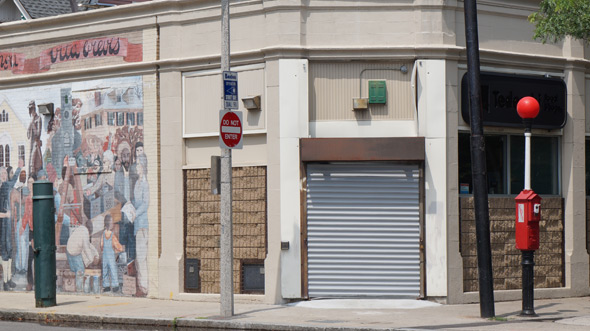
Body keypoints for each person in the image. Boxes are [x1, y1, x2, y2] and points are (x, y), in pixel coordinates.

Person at [0, 158, 22, 290]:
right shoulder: (3, 187)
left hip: (6, 225)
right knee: (4, 251)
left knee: (9, 250)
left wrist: (19, 168)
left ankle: (8, 279)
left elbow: (13, 180)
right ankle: (5, 281)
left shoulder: (6, 186)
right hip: (1, 225)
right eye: (1, 174)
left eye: (4, 174)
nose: (3, 176)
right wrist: (5, 215)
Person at [132, 154, 148, 297]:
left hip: (142, 224)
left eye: (138, 165)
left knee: (142, 256)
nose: (136, 167)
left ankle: (144, 287)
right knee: (139, 256)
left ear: (143, 166)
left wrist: (135, 213)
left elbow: (145, 203)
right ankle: (142, 285)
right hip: (137, 223)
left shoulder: (144, 183)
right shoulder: (138, 182)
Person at [100, 214, 122, 293]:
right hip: (111, 256)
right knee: (113, 270)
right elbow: (118, 247)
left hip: (105, 256)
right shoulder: (112, 235)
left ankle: (106, 286)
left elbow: (101, 245)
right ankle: (115, 286)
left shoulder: (103, 234)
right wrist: (117, 250)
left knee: (105, 270)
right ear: (110, 224)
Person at [27, 101, 43, 178]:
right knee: (30, 164)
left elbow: (38, 134)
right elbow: (28, 135)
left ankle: (34, 176)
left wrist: (33, 123)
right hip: (31, 144)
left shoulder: (38, 119)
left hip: (36, 145)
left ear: (34, 109)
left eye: (31, 109)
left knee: (33, 164)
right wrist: (30, 123)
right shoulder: (31, 120)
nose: (30, 111)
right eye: (30, 109)